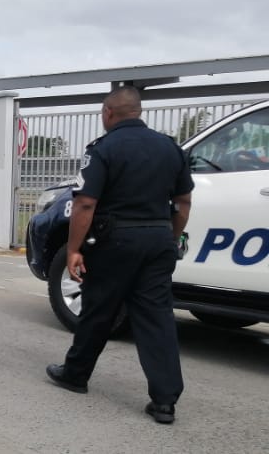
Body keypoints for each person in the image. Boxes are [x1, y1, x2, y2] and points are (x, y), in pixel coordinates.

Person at [46, 86, 194, 425]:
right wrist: (168, 238)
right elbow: (184, 202)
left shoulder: (104, 149)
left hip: (115, 241)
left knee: (99, 308)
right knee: (157, 317)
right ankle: (164, 401)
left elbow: (85, 202)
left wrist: (73, 249)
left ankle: (75, 374)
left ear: (109, 114)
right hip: (159, 239)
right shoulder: (169, 148)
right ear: (138, 112)